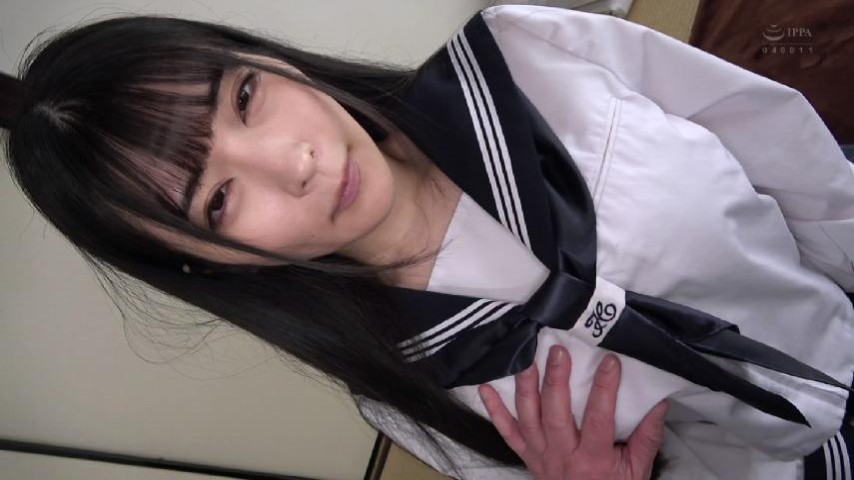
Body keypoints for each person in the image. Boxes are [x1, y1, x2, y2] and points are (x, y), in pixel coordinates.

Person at [2, 4, 853, 479]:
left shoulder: (520, 55)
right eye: (220, 199)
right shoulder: (403, 389)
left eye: (246, 98)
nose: (293, 162)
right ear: (208, 262)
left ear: (261, 56)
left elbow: (777, 141)